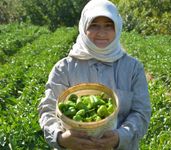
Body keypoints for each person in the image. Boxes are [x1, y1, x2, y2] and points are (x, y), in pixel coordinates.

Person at [38, 0, 151, 149]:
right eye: (94, 25)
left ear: (117, 28)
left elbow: (141, 112)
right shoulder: (64, 68)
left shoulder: (132, 68)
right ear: (84, 27)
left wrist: (120, 136)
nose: (101, 33)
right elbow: (48, 109)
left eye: (108, 26)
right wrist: (60, 138)